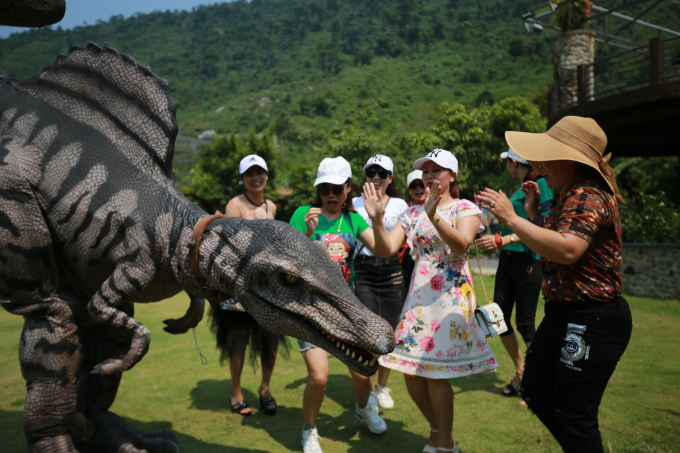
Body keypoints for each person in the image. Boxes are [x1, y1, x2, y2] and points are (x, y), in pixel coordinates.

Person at [478, 116, 632, 453]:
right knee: (533, 388)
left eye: (546, 157)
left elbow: (567, 248)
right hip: (563, 314)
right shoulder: (567, 195)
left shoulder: (588, 194)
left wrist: (513, 218)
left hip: (594, 318)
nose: (540, 167)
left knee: (575, 414)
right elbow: (553, 238)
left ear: (567, 159)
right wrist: (535, 214)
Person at [364, 149, 498, 453]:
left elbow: (461, 244)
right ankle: (439, 434)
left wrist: (433, 212)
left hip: (450, 302)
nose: (428, 176)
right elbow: (386, 249)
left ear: (452, 176)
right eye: (425, 171)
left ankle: (444, 444)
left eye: (436, 170)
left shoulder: (466, 209)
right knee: (411, 374)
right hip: (418, 302)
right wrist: (376, 220)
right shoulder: (412, 212)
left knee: (436, 375)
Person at [289, 157, 387, 453]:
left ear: (348, 189)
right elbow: (286, 265)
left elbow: (383, 250)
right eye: (325, 189)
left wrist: (378, 218)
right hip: (310, 307)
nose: (331, 195)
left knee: (361, 370)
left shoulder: (355, 220)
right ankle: (309, 431)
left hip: (346, 306)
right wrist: (306, 234)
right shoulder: (302, 214)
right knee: (319, 377)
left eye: (337, 189)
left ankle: (364, 408)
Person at [209, 154, 288, 417]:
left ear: (266, 175)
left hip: (267, 287)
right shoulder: (235, 205)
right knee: (239, 340)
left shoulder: (271, 206)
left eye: (260, 172)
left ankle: (265, 389)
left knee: (271, 341)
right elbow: (234, 248)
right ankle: (236, 392)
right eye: (249, 173)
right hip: (240, 286)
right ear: (243, 178)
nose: (256, 178)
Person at [475, 148, 553, 400]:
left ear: (512, 162)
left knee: (526, 325)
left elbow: (543, 225)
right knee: (495, 319)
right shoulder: (520, 187)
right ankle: (521, 370)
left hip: (529, 261)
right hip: (508, 260)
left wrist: (501, 239)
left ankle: (538, 381)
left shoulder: (541, 184)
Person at [352, 154, 409, 411]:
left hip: (392, 271)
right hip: (363, 270)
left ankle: (383, 385)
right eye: (370, 172)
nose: (375, 177)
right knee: (367, 333)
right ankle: (371, 389)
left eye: (381, 173)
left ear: (390, 178)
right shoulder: (353, 203)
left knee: (390, 334)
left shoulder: (399, 205)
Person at [401, 170, 426, 294]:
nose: (418, 189)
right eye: (414, 185)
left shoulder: (437, 208)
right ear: (408, 190)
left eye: (422, 185)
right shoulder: (402, 209)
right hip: (404, 259)